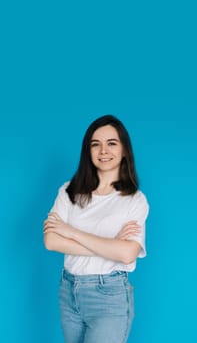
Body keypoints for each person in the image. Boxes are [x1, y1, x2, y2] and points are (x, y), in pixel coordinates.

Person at [43, 114, 149, 343]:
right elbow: (51, 241)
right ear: (87, 151)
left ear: (124, 151)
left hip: (109, 295)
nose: (103, 151)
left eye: (111, 143)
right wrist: (109, 245)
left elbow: (127, 253)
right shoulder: (69, 191)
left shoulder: (134, 200)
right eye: (95, 144)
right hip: (69, 291)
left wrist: (70, 232)